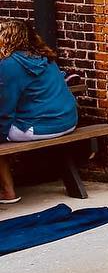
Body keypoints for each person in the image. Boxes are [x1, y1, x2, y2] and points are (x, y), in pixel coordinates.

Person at [0, 20, 80, 205]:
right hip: (68, 121)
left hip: (40, 127)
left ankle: (7, 191)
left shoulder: (9, 64)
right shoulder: (44, 57)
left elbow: (5, 108)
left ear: (8, 39)